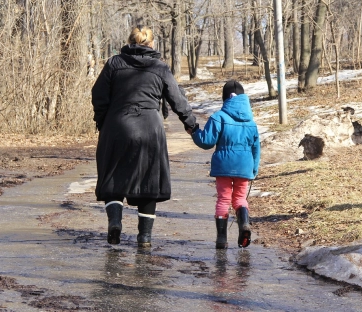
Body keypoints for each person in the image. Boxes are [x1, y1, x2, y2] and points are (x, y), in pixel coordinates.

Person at [91, 26, 197, 248]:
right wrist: (191, 124)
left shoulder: (114, 64)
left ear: (130, 42)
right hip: (150, 128)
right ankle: (145, 238)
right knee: (150, 180)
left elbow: (98, 94)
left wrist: (103, 121)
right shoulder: (160, 68)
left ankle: (115, 223)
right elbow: (177, 98)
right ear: (152, 44)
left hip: (117, 125)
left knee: (113, 176)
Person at [191, 80, 260, 249]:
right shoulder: (251, 122)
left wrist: (194, 131)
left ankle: (222, 239)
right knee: (240, 199)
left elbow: (207, 142)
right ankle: (244, 225)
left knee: (223, 199)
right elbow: (256, 148)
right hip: (244, 166)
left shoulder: (218, 117)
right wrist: (254, 169)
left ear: (225, 98)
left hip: (223, 165)